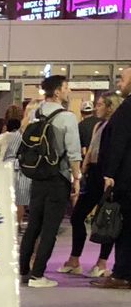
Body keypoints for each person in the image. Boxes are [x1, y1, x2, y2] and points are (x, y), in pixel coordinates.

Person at [18, 75, 81, 288]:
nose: (68, 90)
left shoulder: (36, 112)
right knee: (50, 228)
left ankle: (23, 270)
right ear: (57, 91)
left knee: (33, 224)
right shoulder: (67, 117)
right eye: (66, 87)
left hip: (37, 175)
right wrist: (77, 178)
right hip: (57, 177)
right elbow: (73, 152)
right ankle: (38, 275)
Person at [61, 93, 121, 278]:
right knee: (77, 216)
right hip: (93, 174)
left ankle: (102, 262)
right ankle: (74, 259)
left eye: (101, 104)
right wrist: (81, 172)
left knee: (108, 219)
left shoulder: (117, 126)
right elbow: (91, 151)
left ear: (110, 106)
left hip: (107, 176)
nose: (96, 108)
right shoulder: (98, 125)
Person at [91, 64, 131, 290]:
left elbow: (118, 142)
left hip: (126, 179)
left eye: (122, 79)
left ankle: (122, 273)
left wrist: (110, 174)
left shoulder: (127, 108)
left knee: (125, 227)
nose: (119, 84)